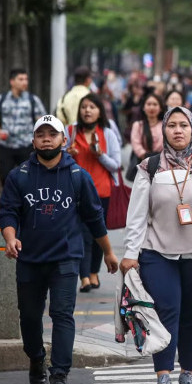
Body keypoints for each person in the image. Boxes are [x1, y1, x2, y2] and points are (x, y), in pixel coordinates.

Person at [120, 106, 192, 384]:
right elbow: (136, 216)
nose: (178, 130)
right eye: (172, 125)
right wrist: (130, 253)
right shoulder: (150, 167)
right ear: (164, 130)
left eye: (184, 125)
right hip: (157, 252)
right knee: (165, 310)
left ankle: (188, 374)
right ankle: (164, 377)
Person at [0, 115, 118, 384]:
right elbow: (8, 211)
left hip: (66, 258)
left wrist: (109, 252)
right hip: (28, 259)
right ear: (33, 140)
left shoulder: (78, 176)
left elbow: (94, 217)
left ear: (64, 140)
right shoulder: (20, 176)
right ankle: (37, 357)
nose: (46, 139)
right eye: (41, 134)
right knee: (29, 317)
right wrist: (10, 237)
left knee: (62, 314)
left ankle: (60, 372)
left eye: (52, 134)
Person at [65, 94, 122, 292]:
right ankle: (84, 277)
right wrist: (66, 154)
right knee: (82, 235)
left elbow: (116, 165)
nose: (87, 111)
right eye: (84, 107)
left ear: (99, 111)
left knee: (99, 234)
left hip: (102, 192)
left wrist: (100, 155)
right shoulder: (71, 131)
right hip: (75, 192)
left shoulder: (107, 133)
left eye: (92, 107)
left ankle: (94, 273)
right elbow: (58, 157)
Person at [0, 68, 47, 185]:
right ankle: (9, 202)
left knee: (27, 179)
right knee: (6, 178)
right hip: (6, 146)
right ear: (12, 82)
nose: (25, 82)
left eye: (26, 79)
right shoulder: (2, 99)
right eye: (21, 79)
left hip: (26, 146)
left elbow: (43, 122)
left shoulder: (33, 100)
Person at [129, 92, 165, 172]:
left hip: (163, 165)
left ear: (161, 108)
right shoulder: (138, 125)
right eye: (148, 104)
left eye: (155, 104)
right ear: (143, 107)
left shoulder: (165, 125)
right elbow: (136, 144)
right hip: (143, 164)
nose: (151, 107)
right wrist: (146, 156)